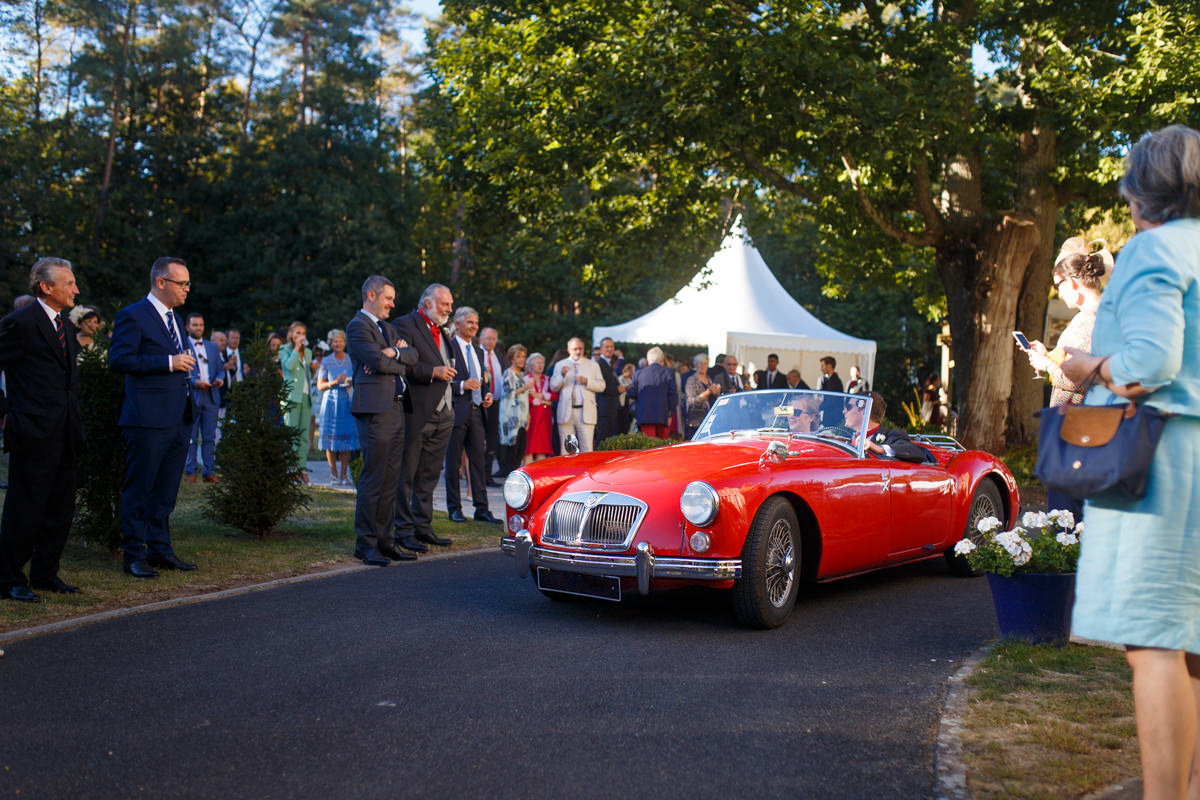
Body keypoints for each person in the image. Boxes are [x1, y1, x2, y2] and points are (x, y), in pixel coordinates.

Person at [1059, 124, 1200, 800]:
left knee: (1153, 640)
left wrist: (1088, 364)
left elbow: (1149, 363)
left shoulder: (1151, 252)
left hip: (1162, 459)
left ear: (1141, 193)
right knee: (1192, 638)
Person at [0, 257, 86, 601]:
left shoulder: (64, 327)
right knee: (25, 508)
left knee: (60, 507)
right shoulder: (19, 323)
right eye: (69, 283)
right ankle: (8, 578)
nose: (76, 289)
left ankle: (46, 573)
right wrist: (7, 411)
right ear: (45, 287)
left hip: (65, 432)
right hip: (32, 432)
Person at [109, 256, 200, 578]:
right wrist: (167, 362)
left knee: (166, 491)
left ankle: (161, 550)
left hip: (179, 416)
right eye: (182, 283)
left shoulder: (176, 319)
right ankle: (134, 555)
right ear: (161, 282)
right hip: (147, 418)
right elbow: (119, 359)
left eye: (188, 283)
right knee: (141, 489)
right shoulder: (133, 315)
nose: (188, 289)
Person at [346, 275, 418, 566]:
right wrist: (393, 358)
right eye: (389, 298)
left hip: (396, 407)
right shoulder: (357, 326)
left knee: (391, 479)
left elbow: (412, 355)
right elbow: (376, 362)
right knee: (374, 478)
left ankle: (385, 541)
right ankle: (365, 544)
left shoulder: (387, 328)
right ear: (372, 295)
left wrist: (397, 352)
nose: (393, 303)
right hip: (375, 410)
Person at [392, 283, 457, 552]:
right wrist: (433, 372)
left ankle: (423, 526)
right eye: (445, 304)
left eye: (451, 305)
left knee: (429, 476)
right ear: (428, 302)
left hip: (444, 414)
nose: (450, 310)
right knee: (407, 475)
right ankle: (403, 530)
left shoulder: (442, 330)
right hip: (418, 411)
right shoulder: (404, 324)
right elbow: (403, 364)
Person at [444, 307, 499, 525]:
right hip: (457, 412)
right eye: (470, 322)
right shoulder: (448, 347)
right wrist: (461, 385)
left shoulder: (477, 351)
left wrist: (486, 393)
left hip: (477, 412)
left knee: (478, 462)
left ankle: (482, 509)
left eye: (476, 323)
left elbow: (482, 379)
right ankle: (454, 508)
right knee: (453, 463)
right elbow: (444, 380)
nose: (474, 326)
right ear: (457, 324)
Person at [183, 313, 225, 483]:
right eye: (195, 325)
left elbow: (221, 368)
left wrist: (220, 378)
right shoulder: (182, 346)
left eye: (201, 325)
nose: (198, 328)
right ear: (187, 327)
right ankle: (191, 471)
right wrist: (195, 382)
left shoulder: (212, 347)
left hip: (211, 395)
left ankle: (209, 471)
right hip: (193, 396)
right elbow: (181, 373)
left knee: (209, 436)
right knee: (191, 437)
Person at [316, 328, 358, 486]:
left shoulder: (350, 359)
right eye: (335, 341)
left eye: (340, 340)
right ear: (331, 343)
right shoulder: (326, 361)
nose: (337, 343)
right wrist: (335, 382)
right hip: (331, 403)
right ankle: (333, 475)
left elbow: (356, 379)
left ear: (344, 343)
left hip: (347, 401)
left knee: (346, 440)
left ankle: (344, 475)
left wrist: (350, 381)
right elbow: (320, 386)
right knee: (330, 440)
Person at [550, 337, 605, 452]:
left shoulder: (592, 365)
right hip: (566, 411)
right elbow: (553, 387)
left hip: (586, 412)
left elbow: (602, 386)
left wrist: (587, 382)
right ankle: (567, 470)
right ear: (569, 350)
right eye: (575, 349)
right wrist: (562, 376)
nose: (578, 352)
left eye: (580, 349)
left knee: (587, 448)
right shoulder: (560, 365)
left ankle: (587, 470)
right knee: (566, 449)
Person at [842, 393, 927, 463]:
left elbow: (917, 452)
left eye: (849, 407)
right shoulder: (845, 438)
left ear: (864, 411)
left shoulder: (892, 436)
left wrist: (879, 449)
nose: (844, 411)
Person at [279, 321, 313, 484]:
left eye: (303, 333)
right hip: (292, 396)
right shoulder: (284, 350)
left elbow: (307, 373)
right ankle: (291, 468)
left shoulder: (308, 352)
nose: (301, 336)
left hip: (306, 396)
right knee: (291, 435)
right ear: (292, 334)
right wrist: (296, 349)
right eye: (298, 333)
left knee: (303, 436)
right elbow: (289, 367)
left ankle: (302, 468)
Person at [626, 346, 678, 439]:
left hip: (644, 415)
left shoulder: (638, 373)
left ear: (648, 359)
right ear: (661, 359)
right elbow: (673, 395)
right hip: (663, 415)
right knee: (661, 447)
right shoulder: (668, 372)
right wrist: (670, 414)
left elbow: (631, 393)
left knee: (649, 447)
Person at [478, 326, 506, 485]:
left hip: (496, 403)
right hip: (481, 403)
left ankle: (487, 475)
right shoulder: (476, 353)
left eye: (493, 338)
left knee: (492, 441)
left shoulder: (499, 356)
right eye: (488, 338)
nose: (490, 341)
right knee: (478, 440)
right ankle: (476, 476)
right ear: (481, 339)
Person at [497, 343, 531, 475]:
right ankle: (508, 472)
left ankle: (514, 472)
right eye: (518, 357)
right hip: (510, 415)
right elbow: (508, 393)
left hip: (522, 416)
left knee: (520, 447)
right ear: (512, 358)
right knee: (512, 446)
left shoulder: (522, 374)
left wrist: (528, 415)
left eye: (523, 356)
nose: (521, 359)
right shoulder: (508, 373)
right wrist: (525, 388)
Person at [523, 352, 555, 464]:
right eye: (537, 363)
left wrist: (541, 396)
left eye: (542, 363)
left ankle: (539, 476)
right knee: (529, 446)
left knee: (542, 446)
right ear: (531, 365)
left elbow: (555, 395)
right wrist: (536, 400)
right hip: (531, 415)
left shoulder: (548, 379)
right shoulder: (526, 379)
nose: (540, 365)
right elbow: (523, 397)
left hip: (545, 416)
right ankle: (527, 474)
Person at [684, 354, 720, 439]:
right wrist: (707, 392)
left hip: (709, 419)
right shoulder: (691, 380)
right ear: (695, 365)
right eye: (700, 363)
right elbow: (691, 401)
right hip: (697, 421)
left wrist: (716, 392)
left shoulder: (709, 379)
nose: (703, 366)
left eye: (705, 363)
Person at [817, 356, 843, 423]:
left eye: (823, 366)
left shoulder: (835, 381)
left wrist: (817, 408)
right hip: (827, 414)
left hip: (833, 416)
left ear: (829, 366)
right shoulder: (825, 379)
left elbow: (831, 400)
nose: (821, 369)